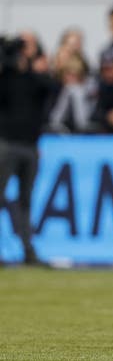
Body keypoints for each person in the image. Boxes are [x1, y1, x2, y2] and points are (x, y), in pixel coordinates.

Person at [0, 33, 57, 264]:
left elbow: (52, 87)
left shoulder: (33, 79)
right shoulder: (6, 77)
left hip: (30, 145)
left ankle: (28, 250)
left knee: (26, 200)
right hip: (6, 143)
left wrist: (32, 66)